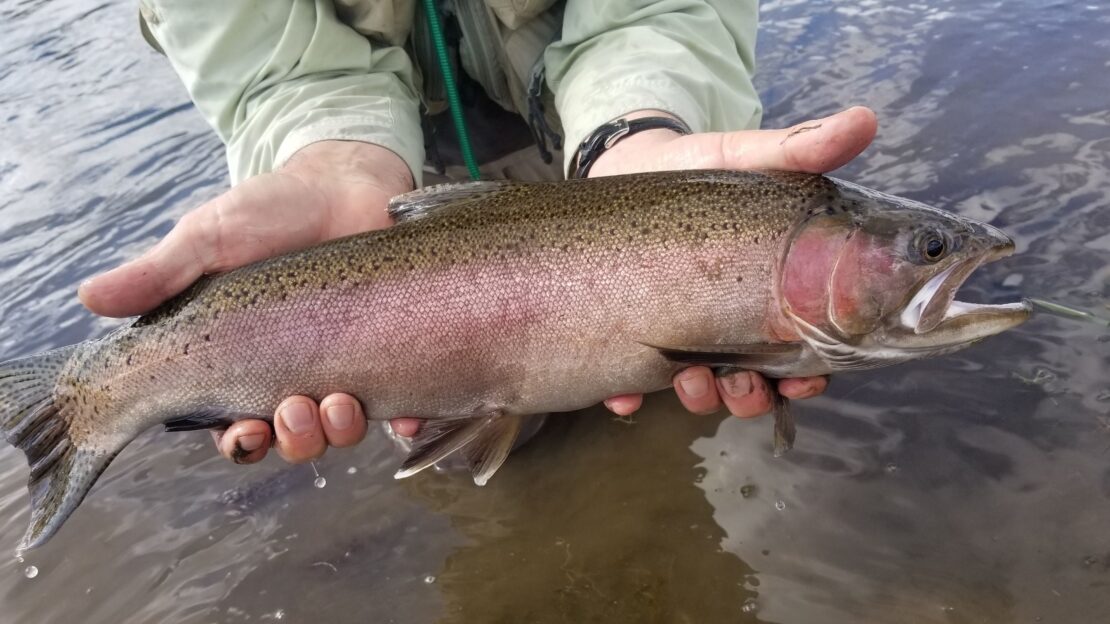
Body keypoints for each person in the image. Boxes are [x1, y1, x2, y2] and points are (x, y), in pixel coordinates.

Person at [79, 0, 877, 465]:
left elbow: (656, 11)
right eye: (928, 252)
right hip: (372, 182)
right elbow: (279, 68)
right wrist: (331, 158)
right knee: (464, 452)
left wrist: (640, 124)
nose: (934, 261)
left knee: (666, 419)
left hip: (598, 133)